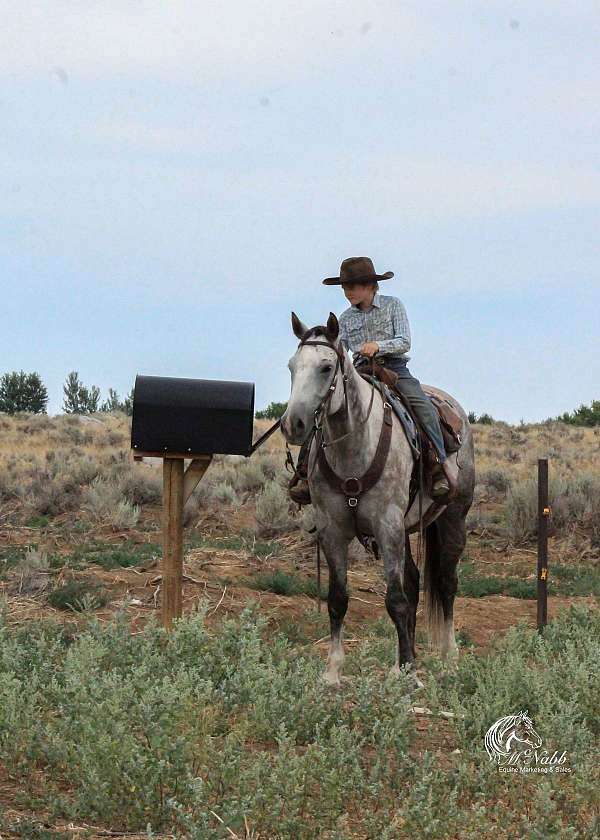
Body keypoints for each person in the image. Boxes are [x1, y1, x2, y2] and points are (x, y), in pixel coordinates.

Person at [288, 256, 457, 505]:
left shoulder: (392, 306)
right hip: (358, 372)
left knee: (423, 408)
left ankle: (437, 466)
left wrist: (378, 346)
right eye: (345, 287)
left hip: (394, 369)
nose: (348, 292)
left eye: (353, 286)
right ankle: (305, 471)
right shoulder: (343, 319)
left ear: (370, 286)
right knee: (322, 409)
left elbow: (405, 340)